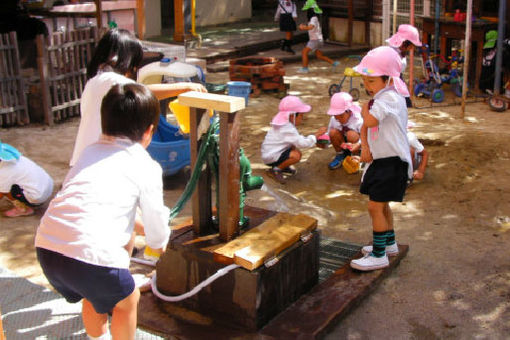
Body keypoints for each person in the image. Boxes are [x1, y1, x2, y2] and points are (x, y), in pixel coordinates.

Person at [35, 83, 170, 339]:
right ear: (149, 132)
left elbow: (88, 205)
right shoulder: (145, 166)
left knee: (94, 292)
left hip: (47, 247)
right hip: (90, 257)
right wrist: (161, 242)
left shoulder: (89, 153)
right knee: (128, 299)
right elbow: (155, 228)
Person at [70, 28, 206, 167]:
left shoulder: (94, 81)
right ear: (126, 60)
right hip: (97, 163)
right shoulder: (110, 80)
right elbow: (140, 93)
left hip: (88, 158)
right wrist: (185, 87)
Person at [349, 46, 413, 271]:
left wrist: (365, 111)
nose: (367, 86)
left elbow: (370, 121)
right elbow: (368, 123)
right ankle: (388, 244)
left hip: (392, 162)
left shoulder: (390, 98)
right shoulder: (382, 96)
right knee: (382, 205)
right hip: (384, 160)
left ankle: (378, 255)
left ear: (388, 79)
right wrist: (365, 146)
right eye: (365, 81)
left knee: (374, 207)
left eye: (372, 81)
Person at [261, 95, 325, 184]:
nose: (302, 118)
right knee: (296, 155)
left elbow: (296, 139)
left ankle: (282, 166)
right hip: (271, 156)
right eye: (301, 116)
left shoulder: (284, 125)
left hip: (272, 154)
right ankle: (276, 170)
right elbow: (302, 143)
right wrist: (316, 135)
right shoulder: (287, 128)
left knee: (293, 147)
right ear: (292, 115)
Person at [0, 142, 54, 217]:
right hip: (45, 186)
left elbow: (1, 193)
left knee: (4, 188)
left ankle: (22, 209)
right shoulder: (13, 157)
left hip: (37, 197)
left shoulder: (4, 172)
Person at [319, 92, 363, 170]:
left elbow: (365, 136)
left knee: (351, 135)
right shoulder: (334, 120)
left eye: (341, 116)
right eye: (336, 116)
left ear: (349, 111)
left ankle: (356, 156)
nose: (338, 119)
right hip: (342, 143)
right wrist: (323, 142)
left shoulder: (358, 120)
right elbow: (329, 134)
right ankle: (341, 154)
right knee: (332, 132)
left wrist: (358, 144)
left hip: (356, 145)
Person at [297, 3, 339, 73]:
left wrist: (303, 27)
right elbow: (311, 27)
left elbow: (311, 27)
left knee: (304, 52)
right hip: (318, 39)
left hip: (315, 40)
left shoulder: (313, 18)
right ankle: (333, 63)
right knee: (319, 56)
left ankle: (305, 69)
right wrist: (304, 26)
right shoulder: (314, 18)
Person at [386, 24, 422, 107]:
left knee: (405, 100)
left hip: (397, 78)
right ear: (405, 43)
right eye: (412, 46)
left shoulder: (399, 51)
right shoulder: (393, 53)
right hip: (391, 80)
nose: (413, 48)